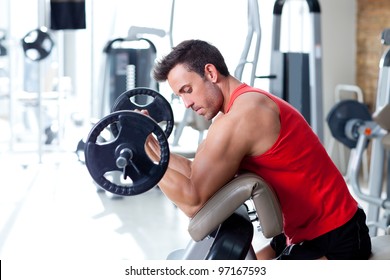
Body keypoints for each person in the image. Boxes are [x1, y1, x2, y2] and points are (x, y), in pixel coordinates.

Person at [145, 39, 371, 260]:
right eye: (180, 95)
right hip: (299, 231)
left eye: (187, 90)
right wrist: (148, 144)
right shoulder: (235, 111)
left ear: (211, 73)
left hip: (335, 237)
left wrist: (142, 161)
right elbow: (194, 171)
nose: (186, 103)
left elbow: (193, 203)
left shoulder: (243, 116)